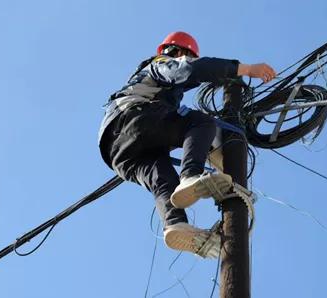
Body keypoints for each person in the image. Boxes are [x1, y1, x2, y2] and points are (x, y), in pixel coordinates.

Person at [98, 31, 275, 254]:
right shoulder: (160, 64)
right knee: (202, 123)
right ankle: (191, 174)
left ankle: (175, 224)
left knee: (162, 178)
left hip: (115, 150)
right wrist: (246, 69)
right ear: (177, 51)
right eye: (186, 55)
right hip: (134, 119)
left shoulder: (142, 85)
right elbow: (192, 69)